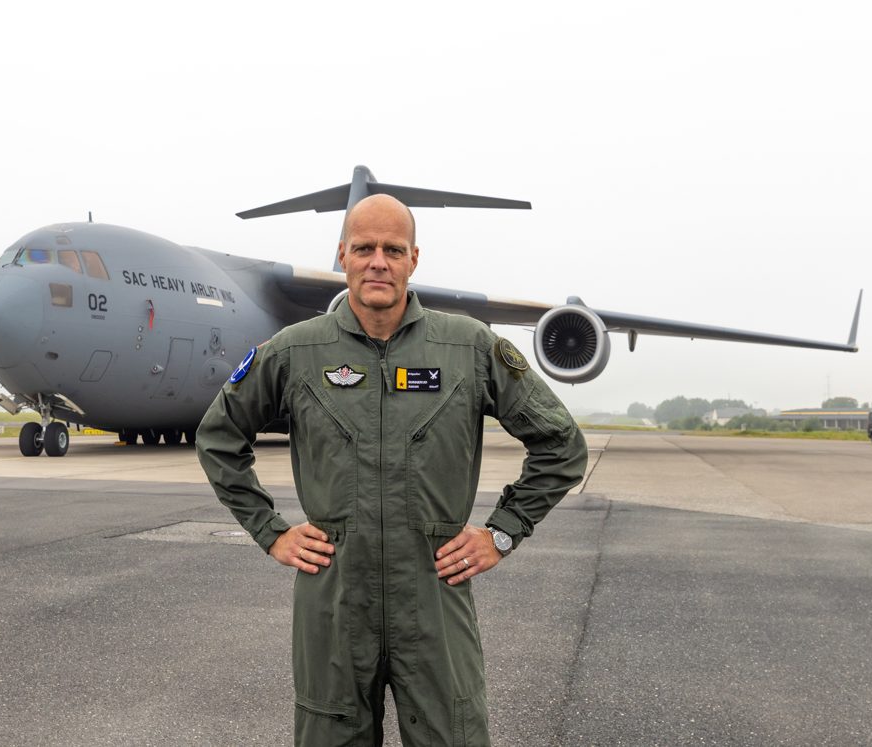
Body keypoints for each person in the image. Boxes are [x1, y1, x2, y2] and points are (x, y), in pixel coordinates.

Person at [196, 194, 587, 746]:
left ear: (413, 259)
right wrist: (272, 533)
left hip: (433, 594)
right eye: (364, 248)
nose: (378, 261)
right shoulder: (295, 352)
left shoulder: (467, 347)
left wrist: (500, 533)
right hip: (333, 601)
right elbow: (218, 435)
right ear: (343, 256)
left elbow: (561, 444)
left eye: (392, 249)